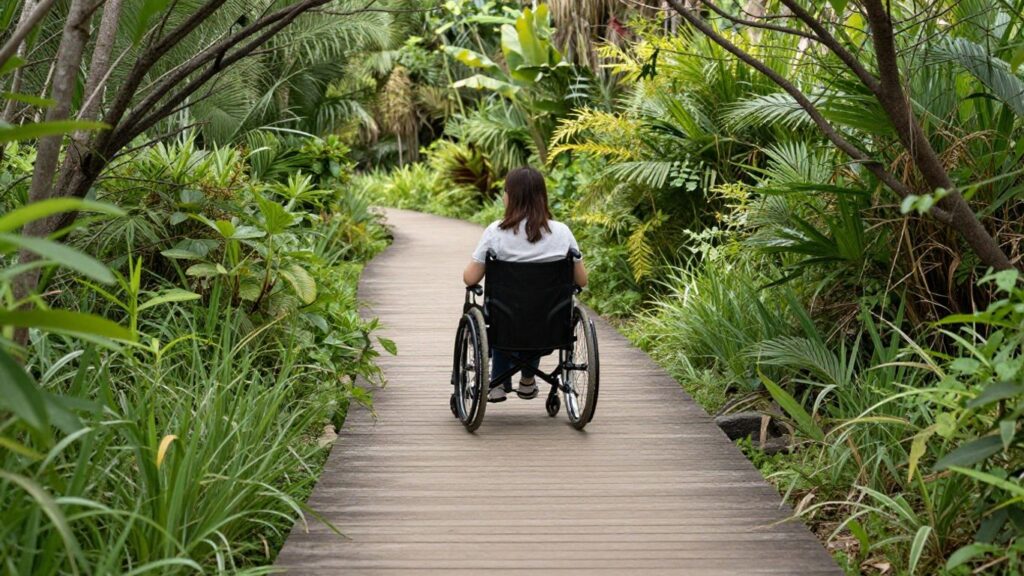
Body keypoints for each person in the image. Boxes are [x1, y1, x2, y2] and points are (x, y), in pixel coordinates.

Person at [463, 166, 588, 403]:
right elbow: (581, 280)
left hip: (505, 323)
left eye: (505, 191)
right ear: (542, 196)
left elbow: (470, 279)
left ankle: (498, 381)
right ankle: (528, 380)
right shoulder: (562, 232)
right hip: (550, 324)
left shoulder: (496, 232)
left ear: (511, 196)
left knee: (506, 314)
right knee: (535, 313)